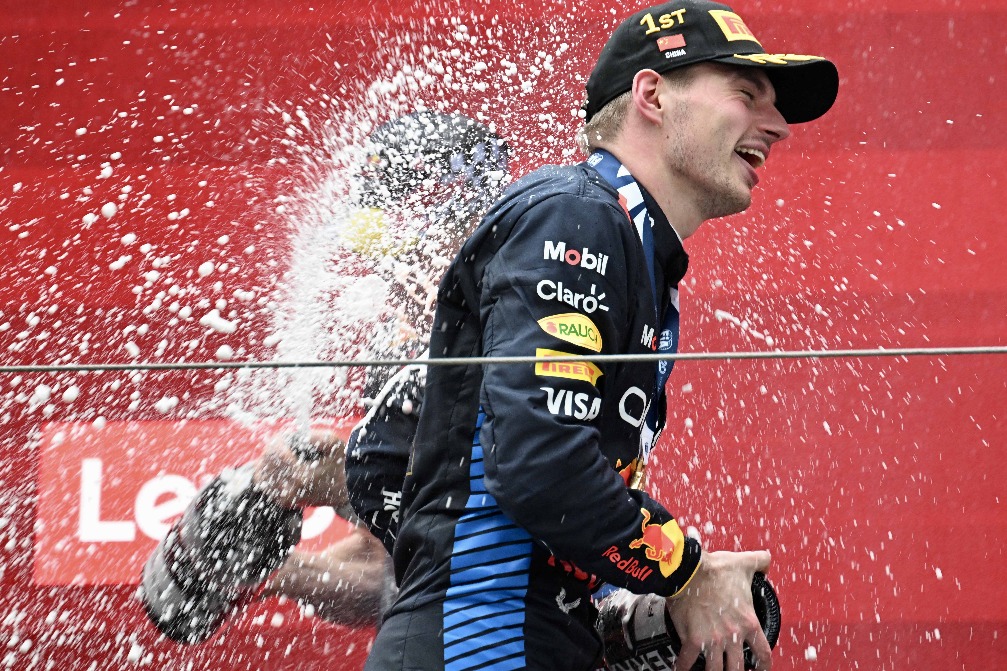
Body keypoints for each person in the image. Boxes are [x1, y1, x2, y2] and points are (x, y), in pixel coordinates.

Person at [363, 2, 839, 671]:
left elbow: (385, 460)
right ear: (651, 96)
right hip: (484, 642)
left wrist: (602, 610)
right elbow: (540, 464)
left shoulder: (629, 245)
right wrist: (686, 574)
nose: (779, 127)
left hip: (514, 639)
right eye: (745, 94)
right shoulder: (575, 215)